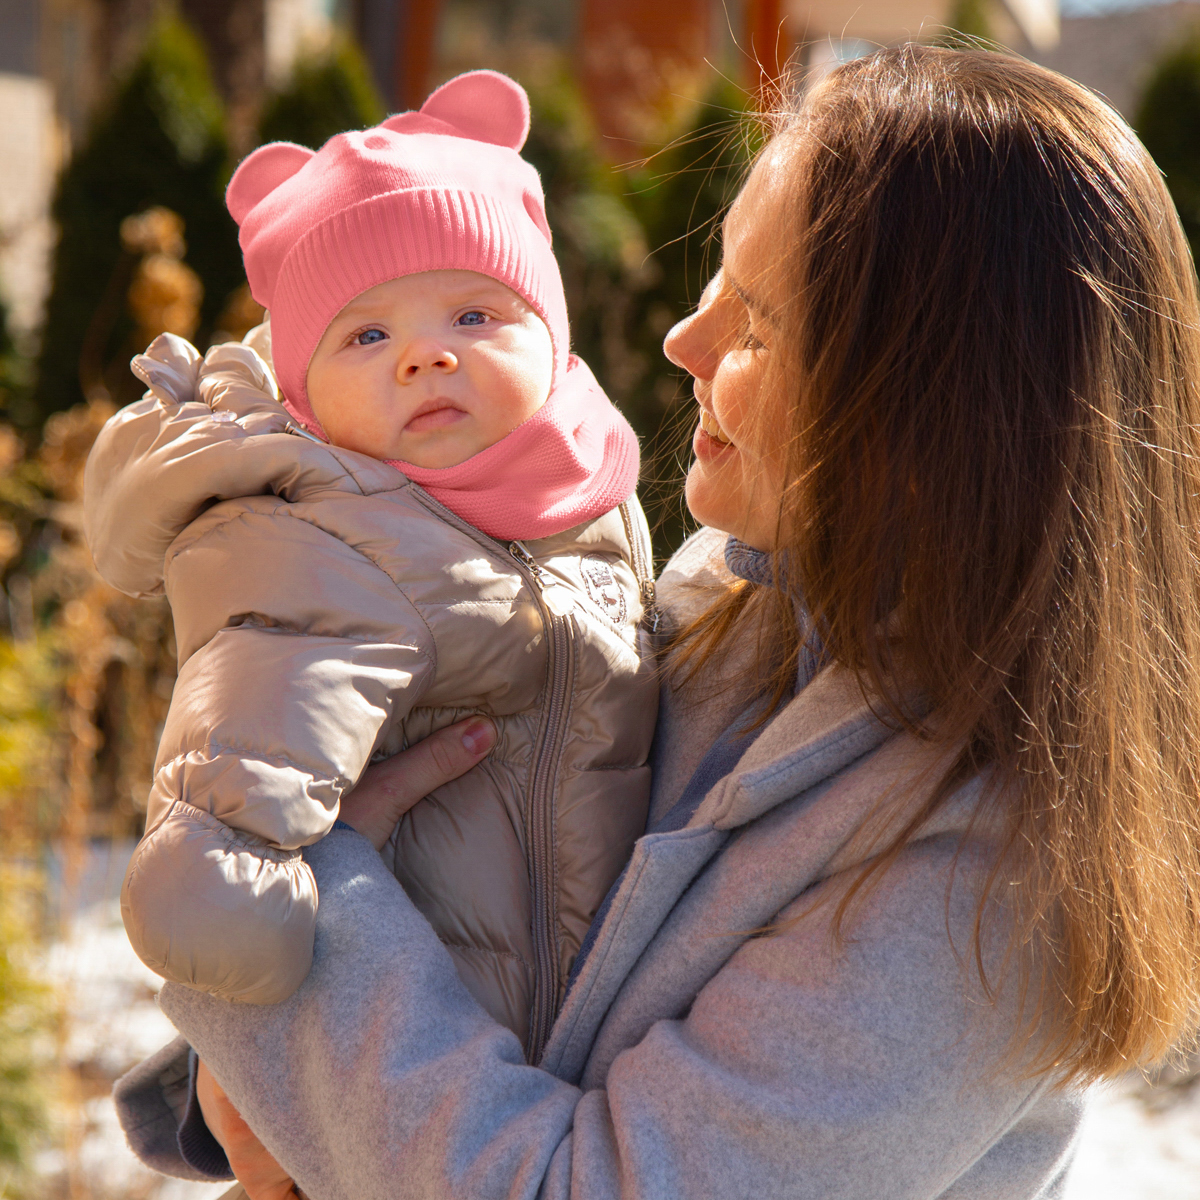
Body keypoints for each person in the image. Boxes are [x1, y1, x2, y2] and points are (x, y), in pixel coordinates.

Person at [111, 46, 1200, 1198]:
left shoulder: (984, 894)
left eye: (759, 326)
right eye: (712, 283)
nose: (685, 342)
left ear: (933, 412)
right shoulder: (720, 609)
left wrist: (307, 921)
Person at [84, 67, 659, 1076]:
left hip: (575, 1042)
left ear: (551, 333)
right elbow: (249, 740)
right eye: (369, 334)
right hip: (404, 1054)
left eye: (475, 316)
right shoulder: (326, 541)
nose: (425, 357)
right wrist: (226, 899)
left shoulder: (584, 492)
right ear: (306, 395)